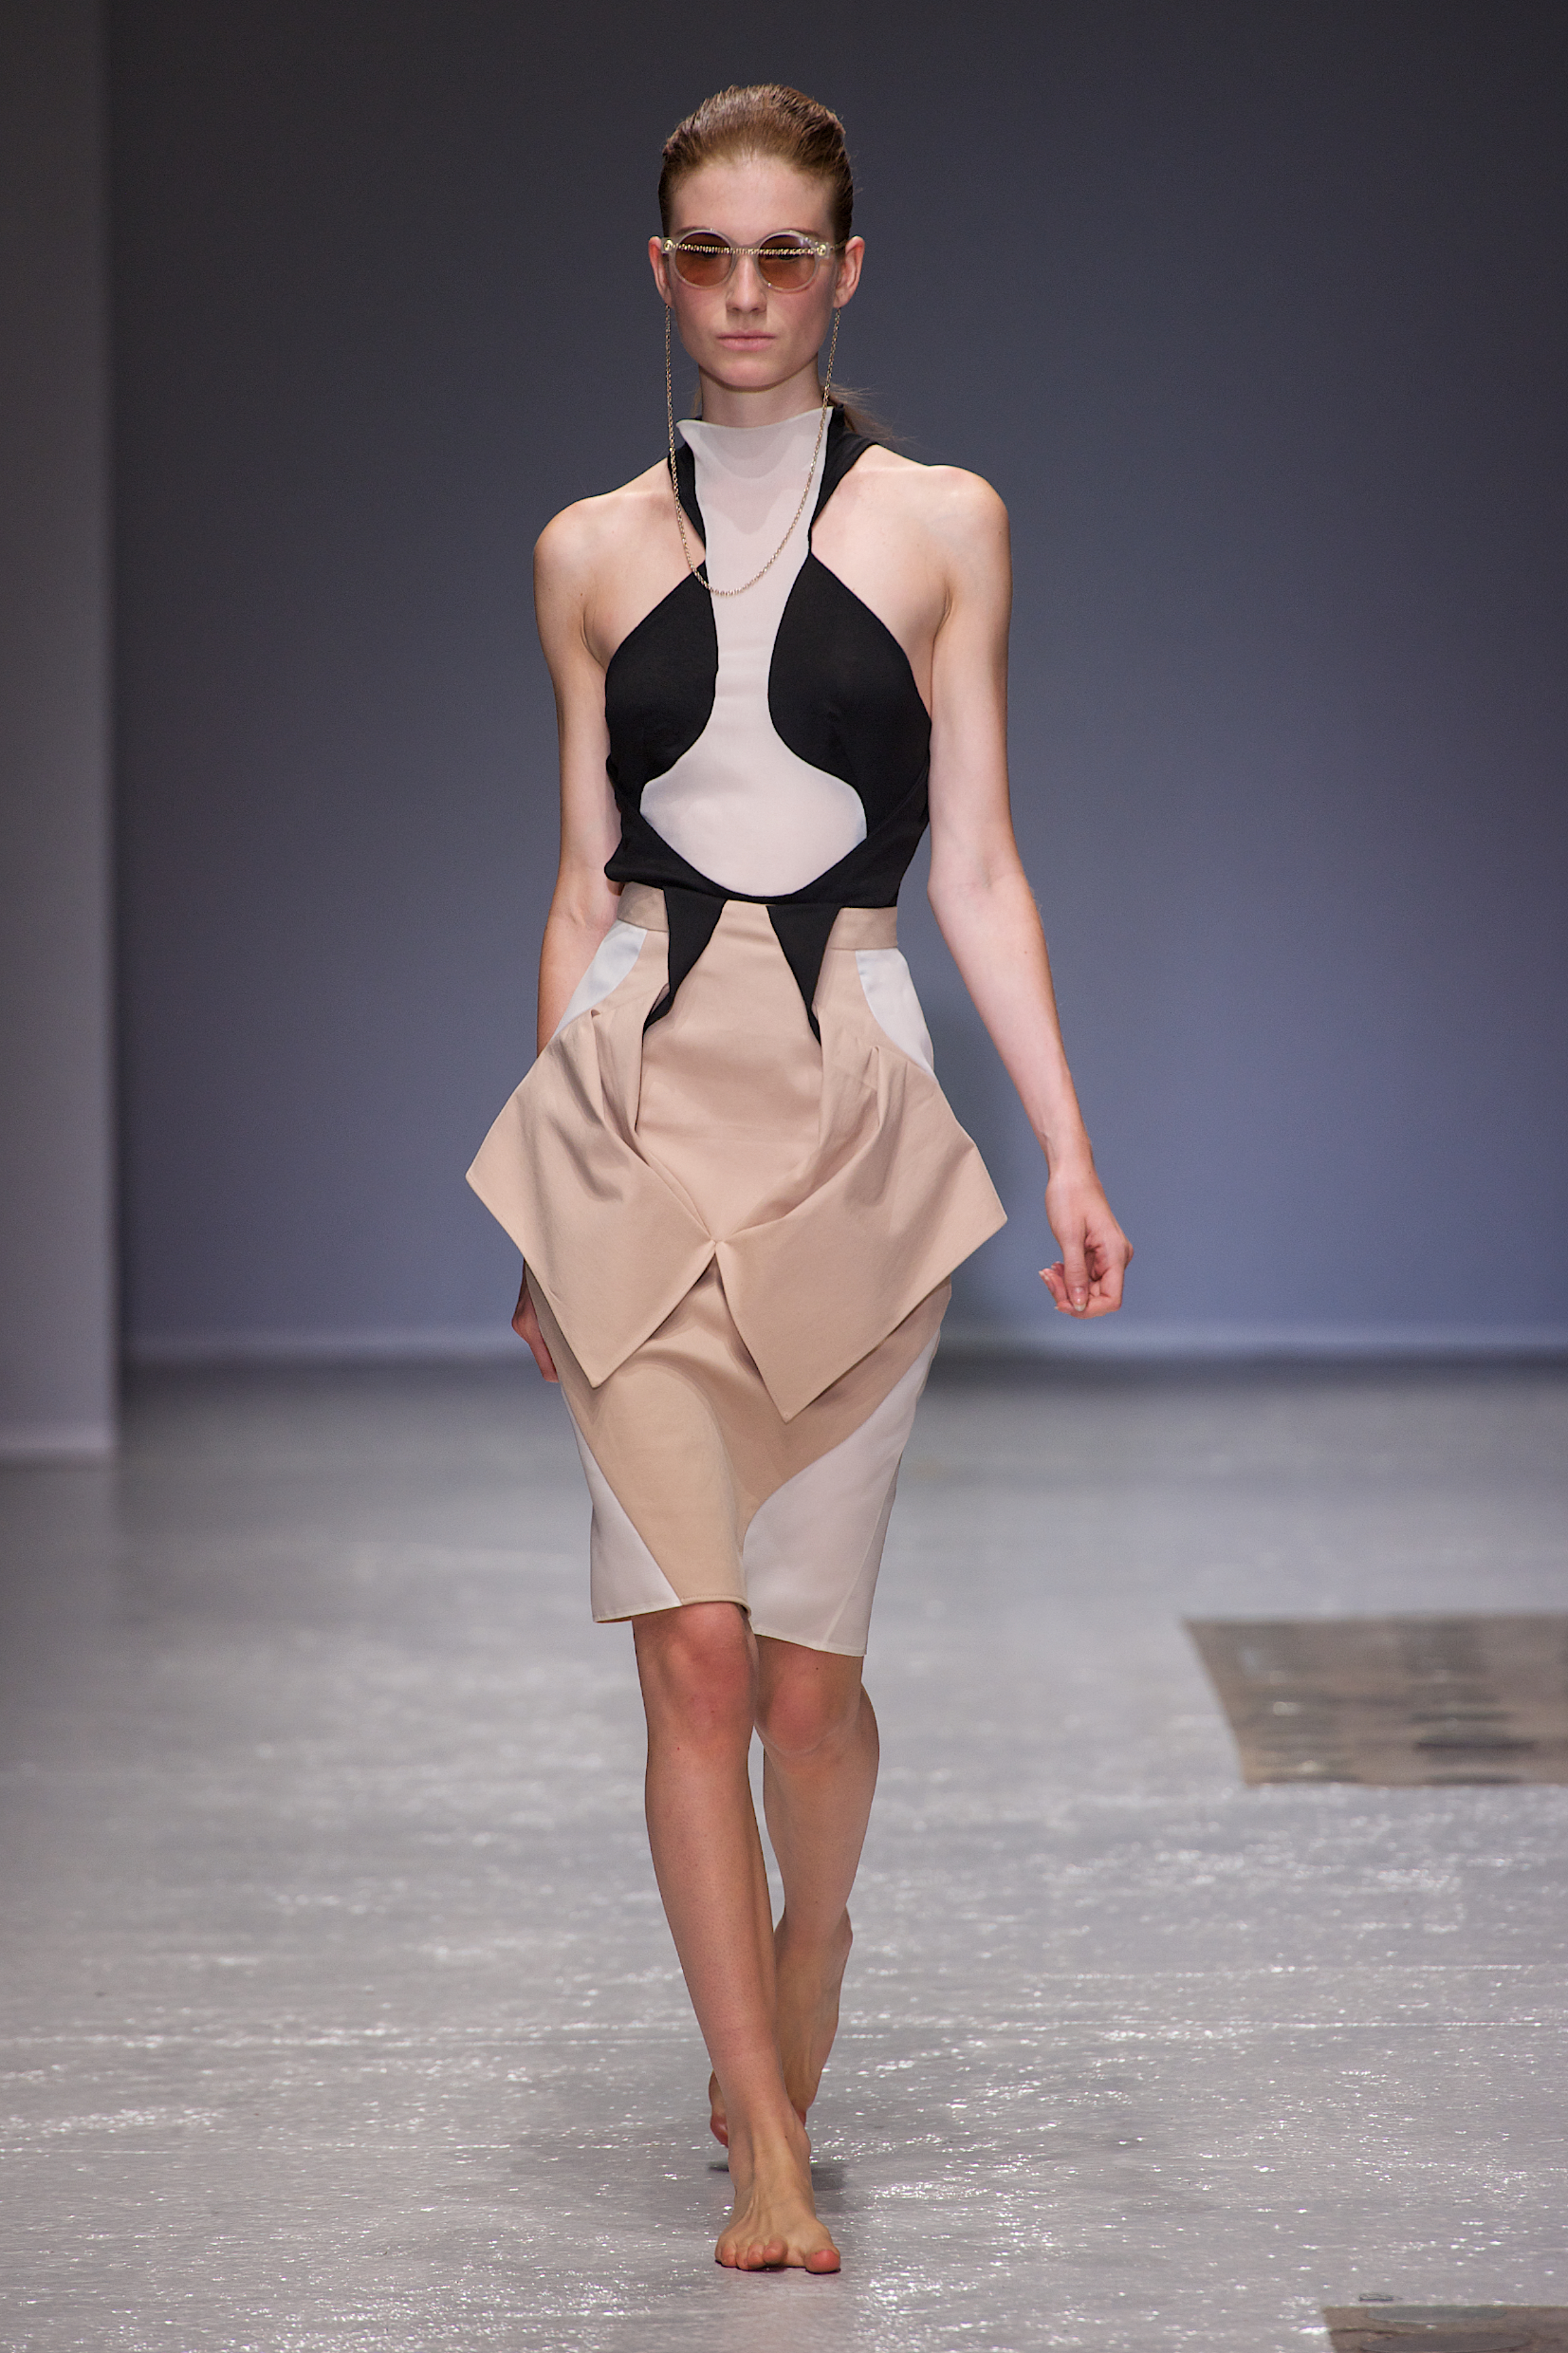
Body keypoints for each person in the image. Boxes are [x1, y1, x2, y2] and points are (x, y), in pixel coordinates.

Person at [468, 83, 1132, 2274]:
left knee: (806, 1683)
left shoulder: (944, 523)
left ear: (843, 272)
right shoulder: (583, 550)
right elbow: (580, 881)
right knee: (690, 1659)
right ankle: (762, 2129)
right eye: (705, 254)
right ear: (657, 272)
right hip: (632, 1106)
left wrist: (1063, 1144)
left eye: (782, 254)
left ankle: (810, 1929)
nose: (742, 294)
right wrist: (540, 1182)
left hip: (853, 1108)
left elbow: (986, 866)